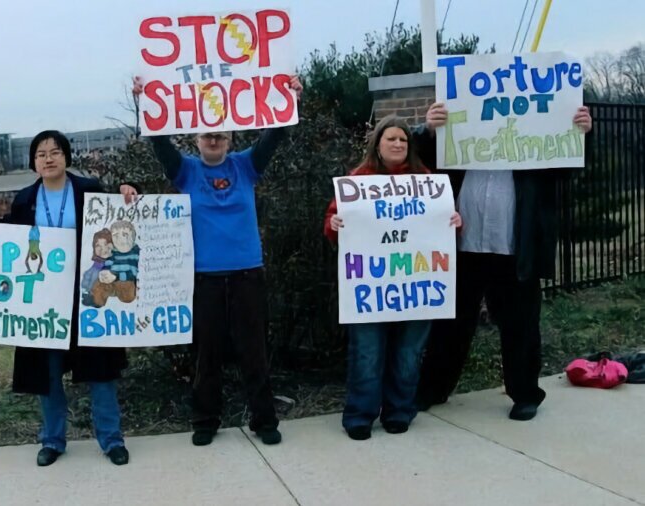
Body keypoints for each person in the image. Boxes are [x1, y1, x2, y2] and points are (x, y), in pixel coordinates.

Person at [128, 75, 302, 447]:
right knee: (206, 354)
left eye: (221, 135)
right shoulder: (185, 170)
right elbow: (159, 141)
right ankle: (206, 420)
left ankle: (264, 418)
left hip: (246, 274)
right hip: (204, 278)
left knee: (254, 351)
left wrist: (290, 98)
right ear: (195, 139)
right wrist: (145, 102)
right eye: (207, 135)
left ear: (231, 140)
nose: (214, 140)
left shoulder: (245, 166)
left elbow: (274, 136)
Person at [413, 103, 593, 420]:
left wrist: (581, 134)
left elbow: (567, 168)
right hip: (462, 244)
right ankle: (432, 388)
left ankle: (525, 394)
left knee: (521, 324)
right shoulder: (461, 140)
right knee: (449, 324)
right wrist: (428, 130)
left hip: (513, 246)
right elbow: (423, 160)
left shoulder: (533, 144)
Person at [0, 130, 134, 466]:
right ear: (33, 162)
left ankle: (111, 439)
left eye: (55, 151)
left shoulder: (88, 189)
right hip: (43, 300)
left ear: (66, 157)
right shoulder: (25, 199)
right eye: (41, 153)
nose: (48, 158)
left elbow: (118, 220)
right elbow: (10, 236)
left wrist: (128, 193)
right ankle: (53, 439)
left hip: (89, 295)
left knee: (100, 370)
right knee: (47, 374)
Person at [323, 115, 462, 440]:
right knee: (367, 353)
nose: (398, 144)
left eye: (403, 140)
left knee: (408, 353)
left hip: (417, 286)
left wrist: (456, 220)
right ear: (378, 144)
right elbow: (332, 219)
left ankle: (400, 411)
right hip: (370, 290)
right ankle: (360, 415)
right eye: (391, 139)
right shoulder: (358, 180)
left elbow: (443, 222)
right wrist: (334, 225)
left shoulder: (426, 180)